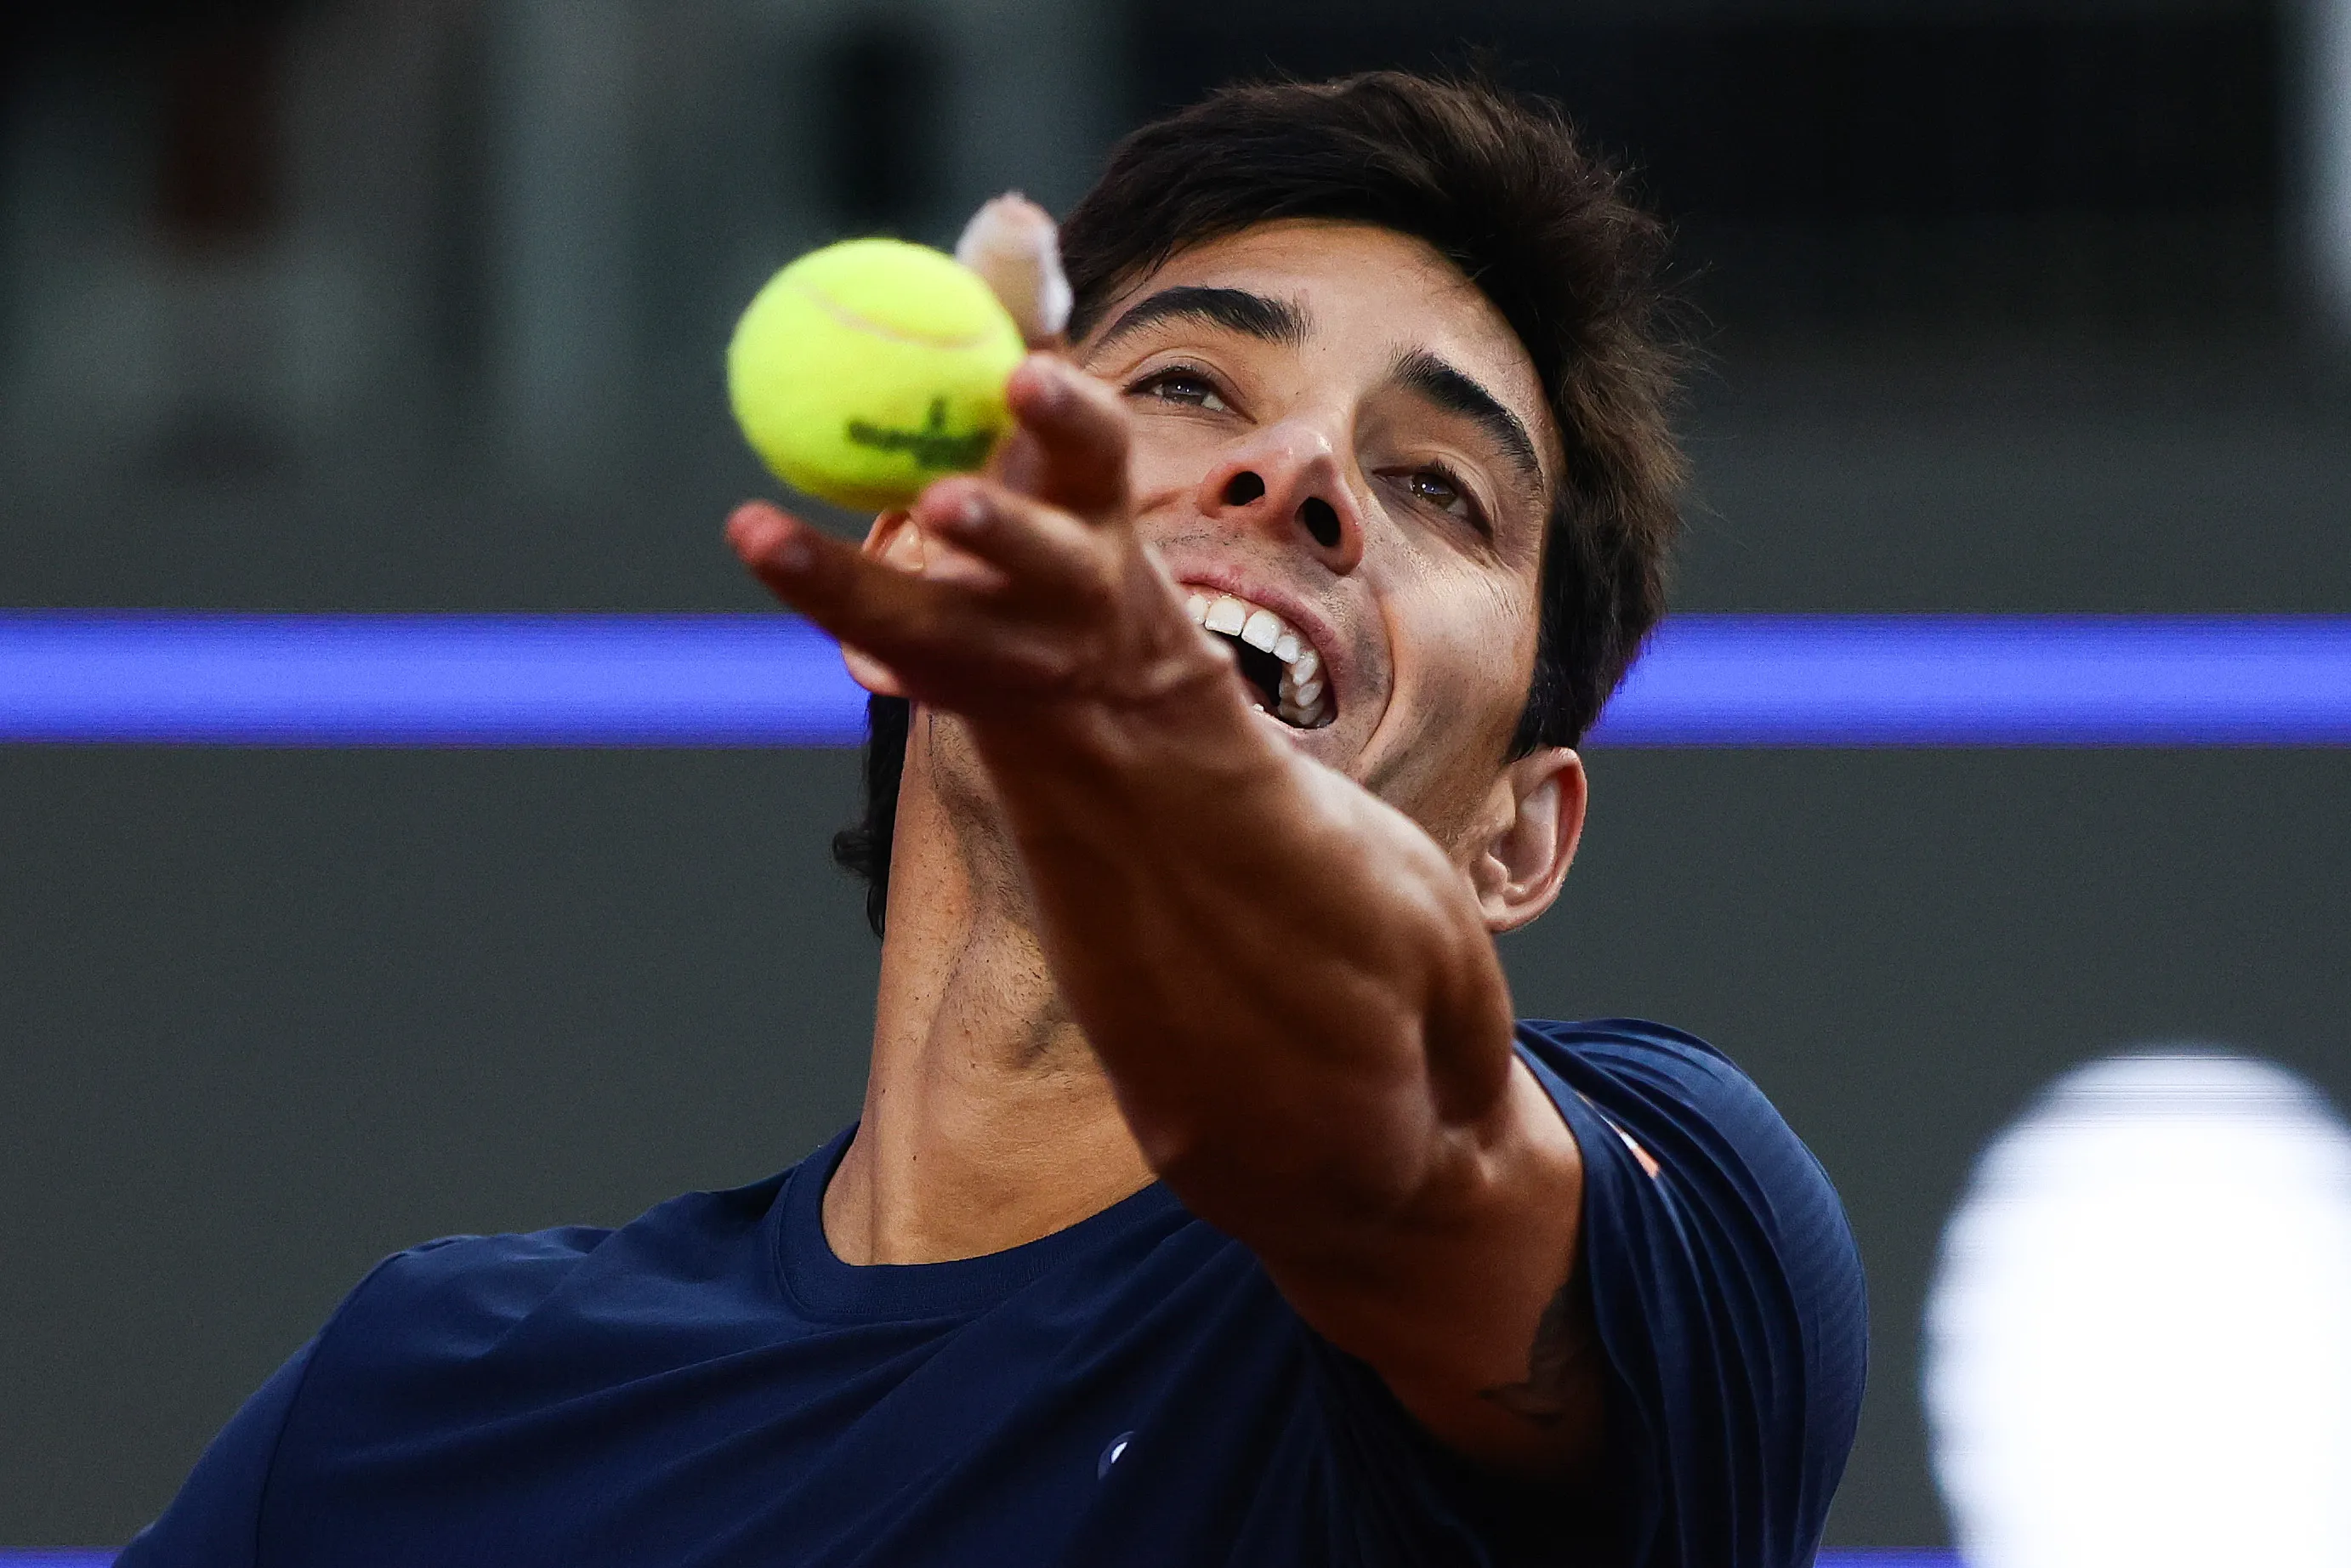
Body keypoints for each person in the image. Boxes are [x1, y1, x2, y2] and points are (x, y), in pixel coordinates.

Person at [124, 71, 1865, 1567]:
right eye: (1186, 387)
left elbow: (1392, 1146)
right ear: (924, 539)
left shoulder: (1692, 1227)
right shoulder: (425, 1402)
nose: (1301, 476)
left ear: (1517, 835)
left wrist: (1161, 738)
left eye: (1435, 487)